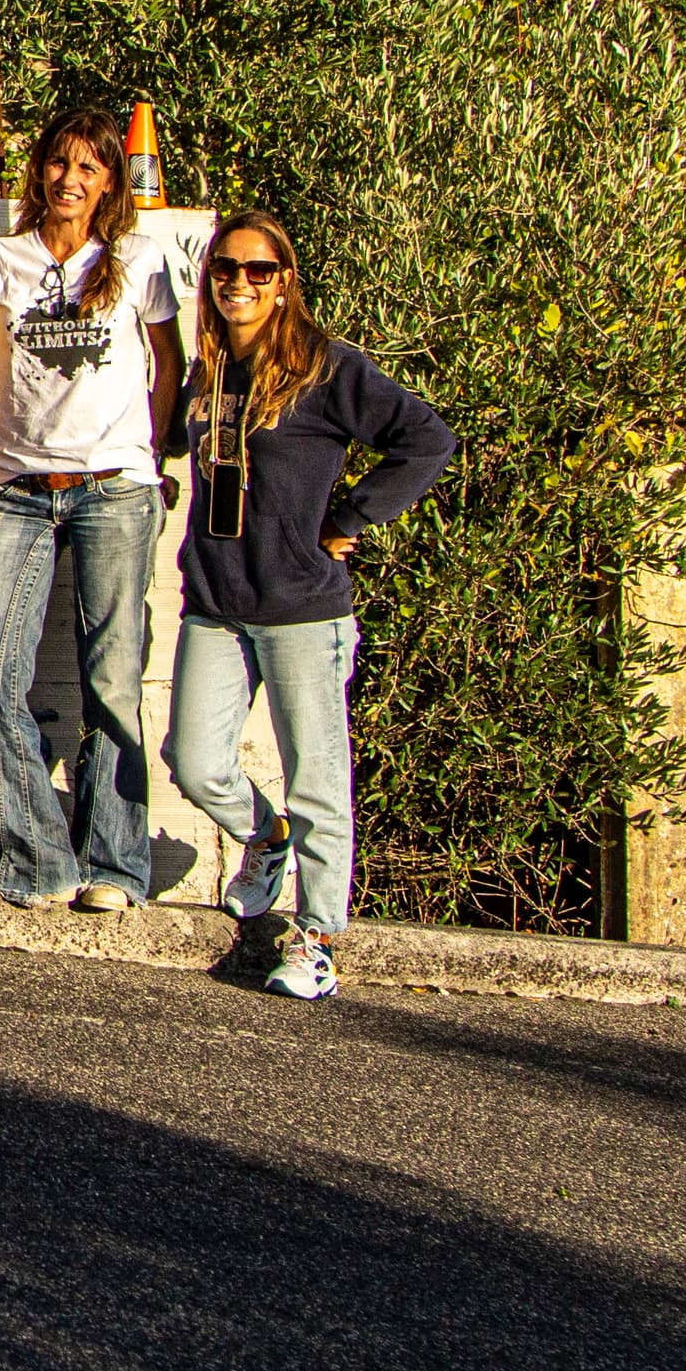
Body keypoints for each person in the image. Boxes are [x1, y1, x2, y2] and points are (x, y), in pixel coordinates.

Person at [168, 210, 453, 1001]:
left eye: (259, 271)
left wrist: (351, 518)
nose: (240, 284)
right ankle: (266, 839)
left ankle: (319, 937)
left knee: (317, 779)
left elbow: (427, 439)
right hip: (218, 602)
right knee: (194, 761)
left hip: (302, 607)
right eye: (226, 268)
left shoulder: (329, 369)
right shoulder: (211, 372)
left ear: (286, 282)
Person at [0, 104, 183, 911]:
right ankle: (26, 856)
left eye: (89, 168)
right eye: (59, 163)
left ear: (110, 181)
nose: (69, 180)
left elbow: (170, 369)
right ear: (38, 168)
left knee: (111, 683)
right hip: (14, 493)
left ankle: (115, 866)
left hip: (115, 491)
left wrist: (151, 458)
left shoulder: (139, 261)